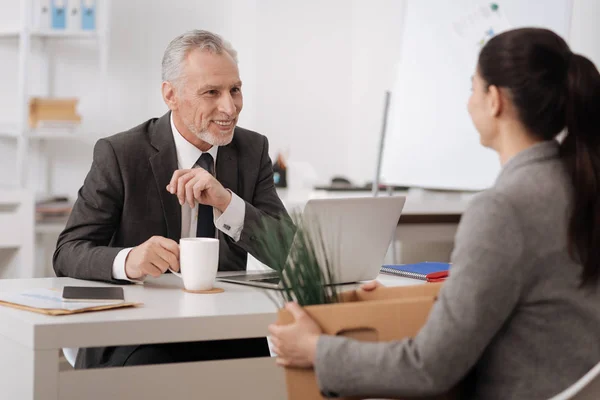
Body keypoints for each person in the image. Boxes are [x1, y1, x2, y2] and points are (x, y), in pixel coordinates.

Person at [269, 27, 600, 399]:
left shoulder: (502, 209)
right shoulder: (581, 185)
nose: (467, 102)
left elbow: (429, 369)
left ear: (495, 101)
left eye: (472, 87)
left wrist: (316, 349)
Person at [53, 29, 292, 368]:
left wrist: (227, 202)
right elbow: (68, 252)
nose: (230, 107)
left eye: (235, 90)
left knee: (274, 366)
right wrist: (129, 260)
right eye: (212, 92)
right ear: (171, 95)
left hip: (225, 328)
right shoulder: (121, 154)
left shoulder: (252, 150)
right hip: (137, 333)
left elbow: (287, 251)